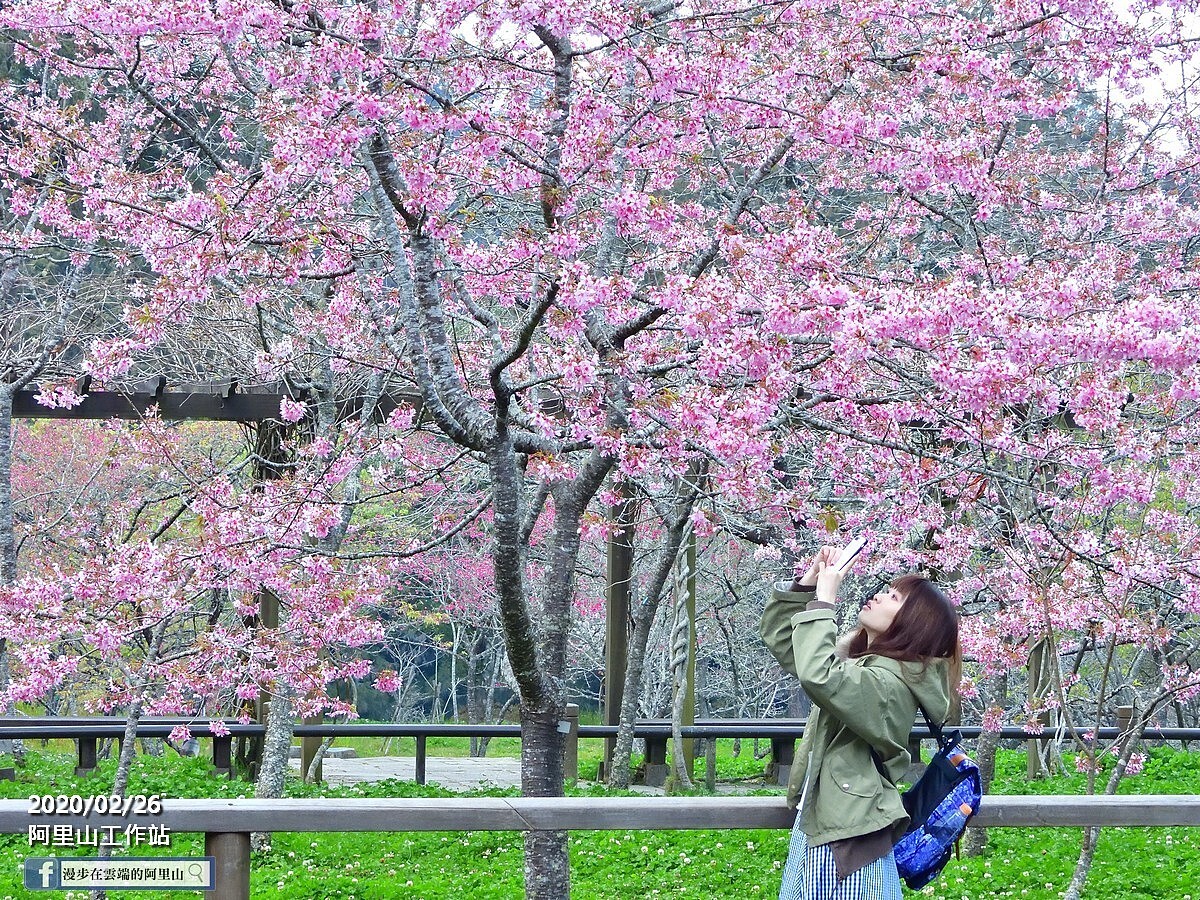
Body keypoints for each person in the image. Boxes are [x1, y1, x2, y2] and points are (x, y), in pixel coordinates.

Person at [760, 545, 961, 900]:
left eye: (894, 597)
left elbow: (818, 674)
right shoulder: (863, 667)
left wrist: (825, 601)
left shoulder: (890, 686)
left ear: (914, 624)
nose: (878, 596)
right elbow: (791, 645)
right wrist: (807, 585)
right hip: (831, 825)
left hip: (847, 839)